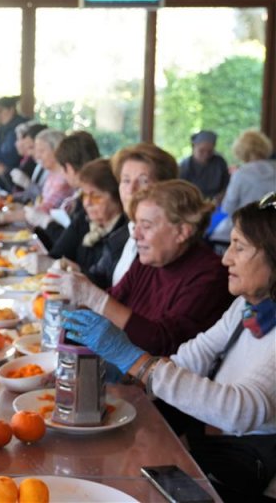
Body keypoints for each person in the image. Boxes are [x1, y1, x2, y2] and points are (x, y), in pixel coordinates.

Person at [62, 194, 276, 501]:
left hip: (253, 477)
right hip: (218, 452)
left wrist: (136, 361)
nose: (226, 258)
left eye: (239, 248)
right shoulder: (246, 304)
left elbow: (239, 410)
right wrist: (131, 378)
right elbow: (196, 353)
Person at [44, 180, 233, 356]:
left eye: (146, 226)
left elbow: (164, 344)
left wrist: (93, 297)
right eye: (136, 225)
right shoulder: (152, 261)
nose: (135, 235)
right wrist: (70, 299)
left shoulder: (210, 275)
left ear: (182, 231)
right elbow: (114, 299)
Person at [21, 159, 126, 289]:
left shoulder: (123, 234)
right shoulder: (85, 219)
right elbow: (58, 252)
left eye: (96, 196)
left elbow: (106, 285)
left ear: (117, 198)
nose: (87, 203)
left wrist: (75, 269)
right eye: (85, 195)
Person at [93, 142, 178, 287]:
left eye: (143, 181)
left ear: (165, 187)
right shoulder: (123, 233)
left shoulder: (166, 243)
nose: (131, 190)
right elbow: (98, 280)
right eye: (126, 180)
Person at [210, 129, 276, 246]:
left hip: (246, 229)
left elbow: (228, 208)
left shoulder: (241, 173)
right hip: (271, 230)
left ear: (241, 151)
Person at [0, 95, 28, 191]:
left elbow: (14, 156)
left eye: (0, 111)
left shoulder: (21, 126)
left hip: (19, 178)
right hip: (2, 177)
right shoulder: (1, 128)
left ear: (11, 109)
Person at [178, 130, 229, 202]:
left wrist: (222, 195)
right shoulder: (185, 166)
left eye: (210, 151)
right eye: (201, 151)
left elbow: (227, 184)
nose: (206, 155)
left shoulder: (219, 162)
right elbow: (180, 191)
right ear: (193, 147)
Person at [8, 122, 48, 200]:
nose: (30, 153)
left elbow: (45, 199)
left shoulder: (50, 168)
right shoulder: (39, 165)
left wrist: (27, 184)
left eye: (31, 148)